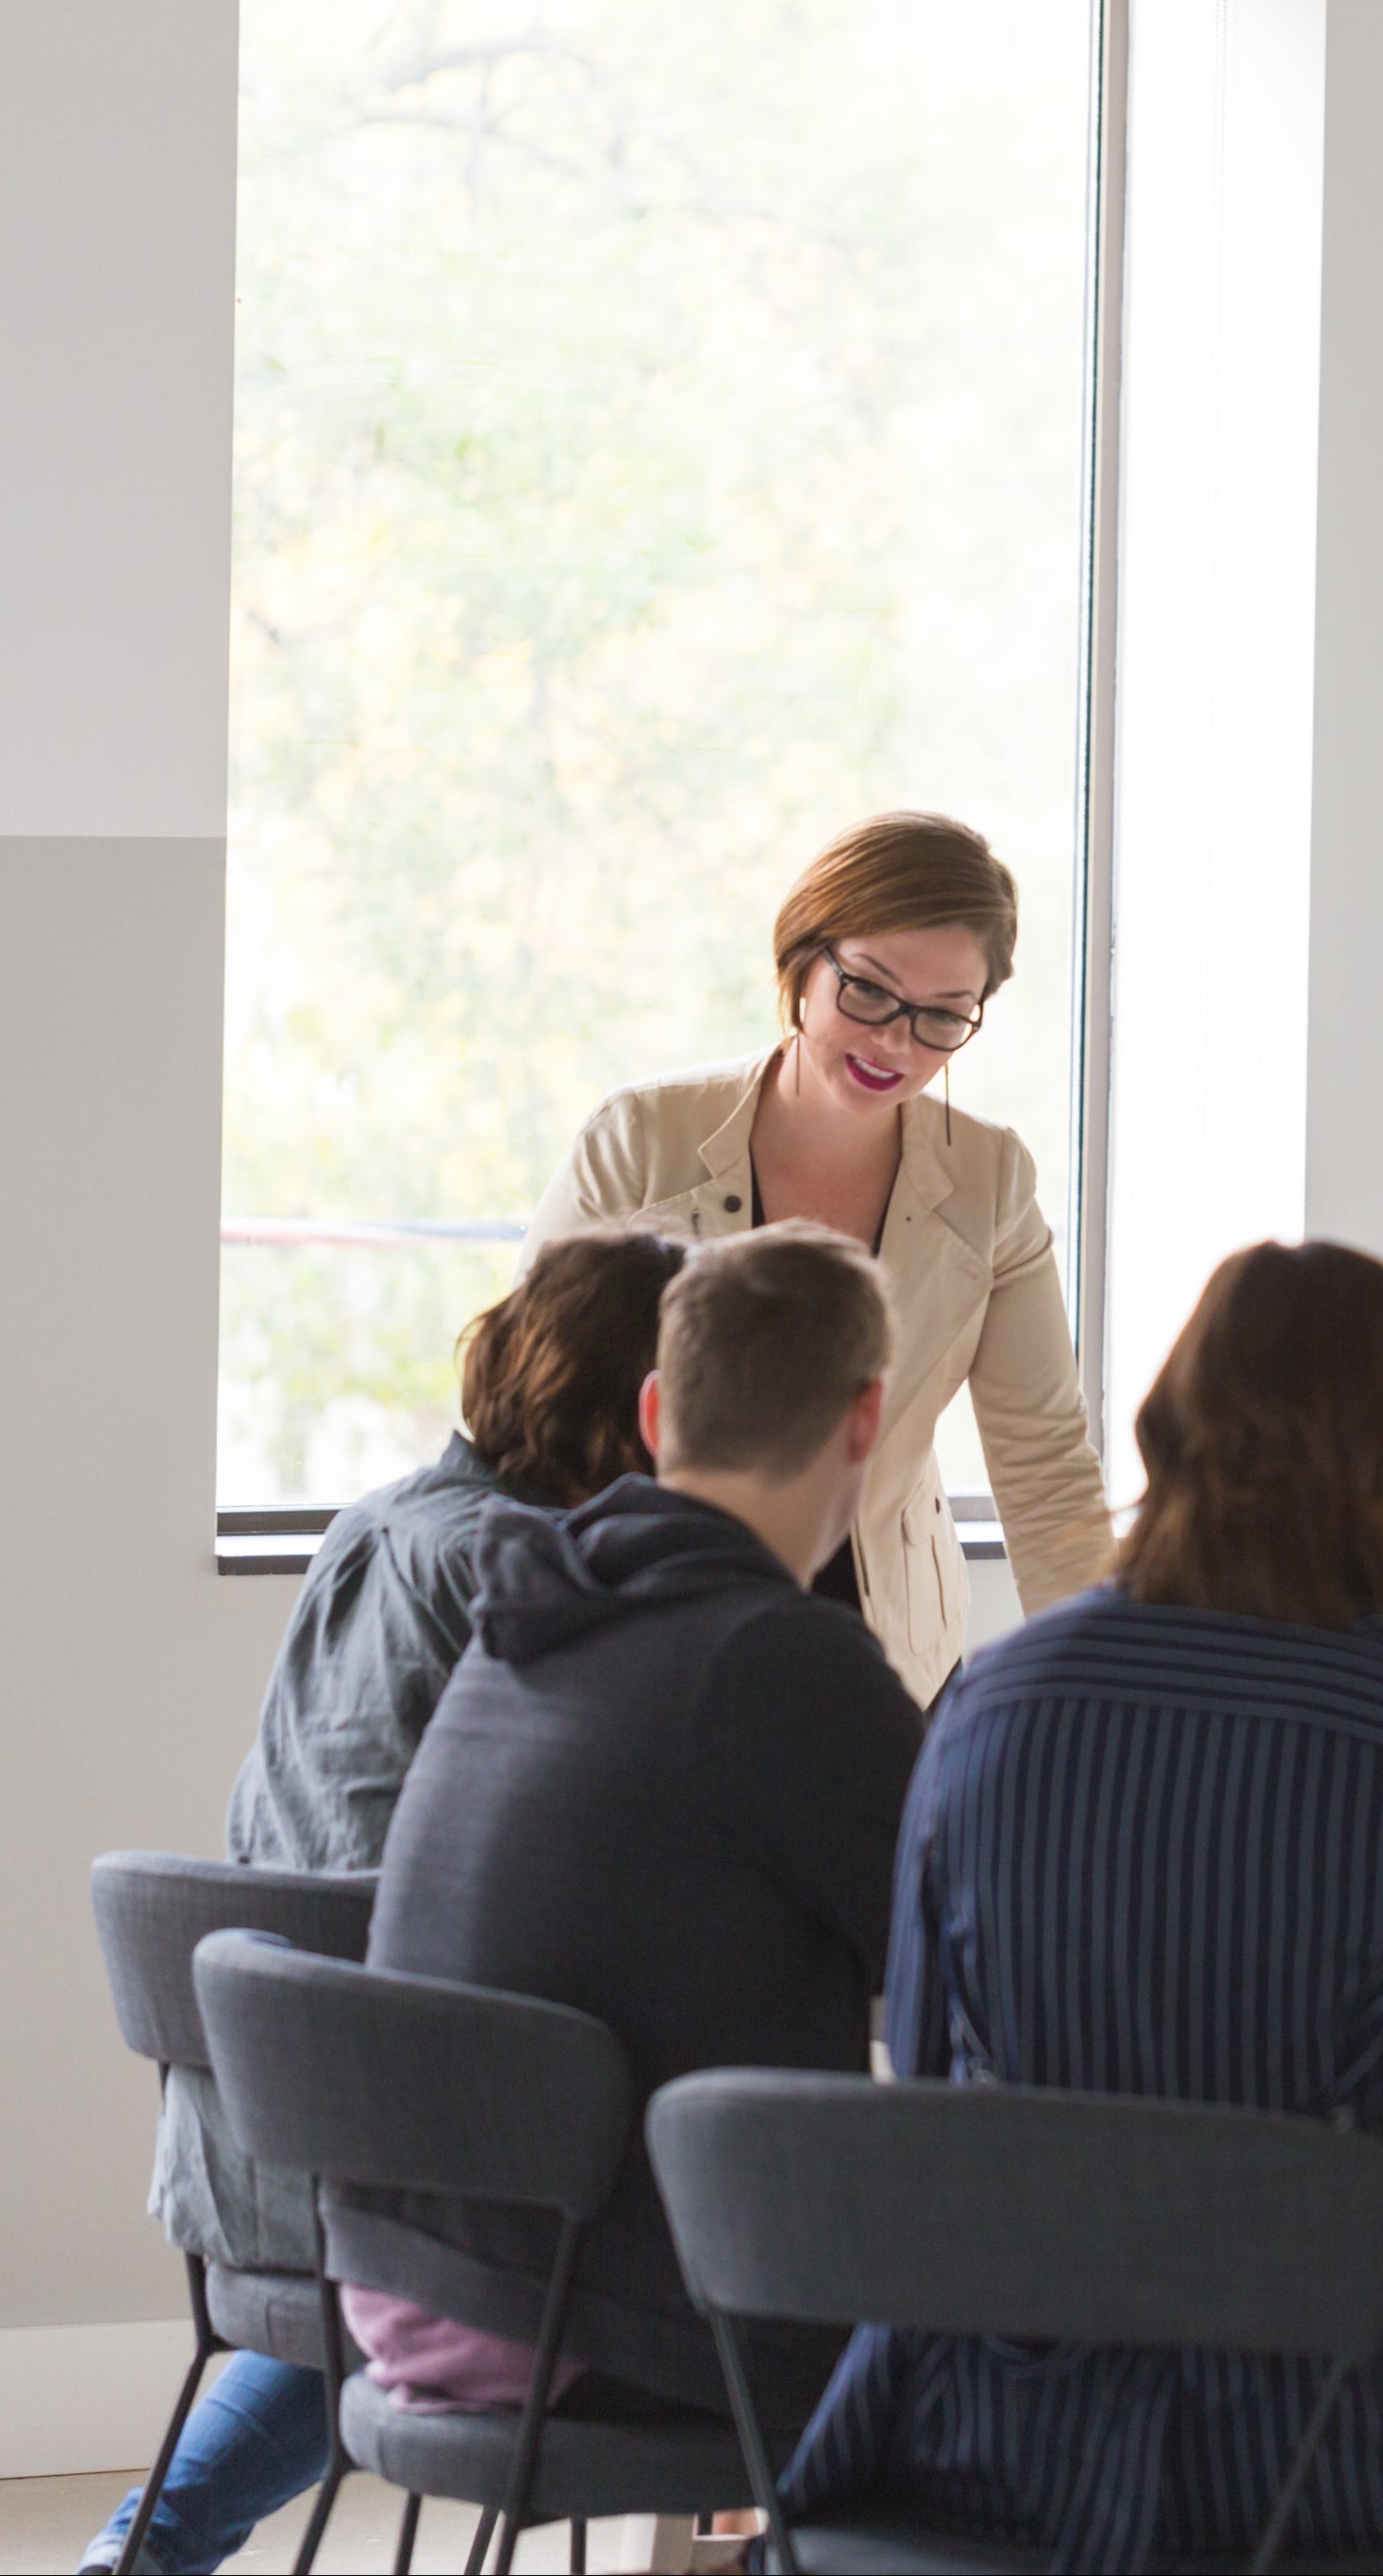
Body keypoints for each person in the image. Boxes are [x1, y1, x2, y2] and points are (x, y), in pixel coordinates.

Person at [775, 1242, 1383, 2575]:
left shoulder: (987, 1705)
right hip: (1329, 2443)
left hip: (986, 2428)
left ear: (1165, 1431)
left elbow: (930, 2105)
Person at [86, 1229, 686, 2576]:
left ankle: (141, 2547)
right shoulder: (535, 1571)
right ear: (650, 1402)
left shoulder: (376, 1521)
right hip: (410, 2162)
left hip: (253, 2141)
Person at [334, 1224, 924, 2427]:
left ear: (656, 1411)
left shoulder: (529, 1610)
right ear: (864, 1423)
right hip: (586, 2313)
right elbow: (968, 1960)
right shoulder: (784, 1657)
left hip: (414, 2274)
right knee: (1047, 2300)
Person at [525, 810, 1110, 1703]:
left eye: (942, 1017)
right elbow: (533, 1417)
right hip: (651, 1645)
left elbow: (1043, 1464)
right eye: (869, 991)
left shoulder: (990, 1179)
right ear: (803, 961)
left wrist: (1105, 1693)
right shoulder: (639, 1141)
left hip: (884, 1666)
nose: (895, 1043)